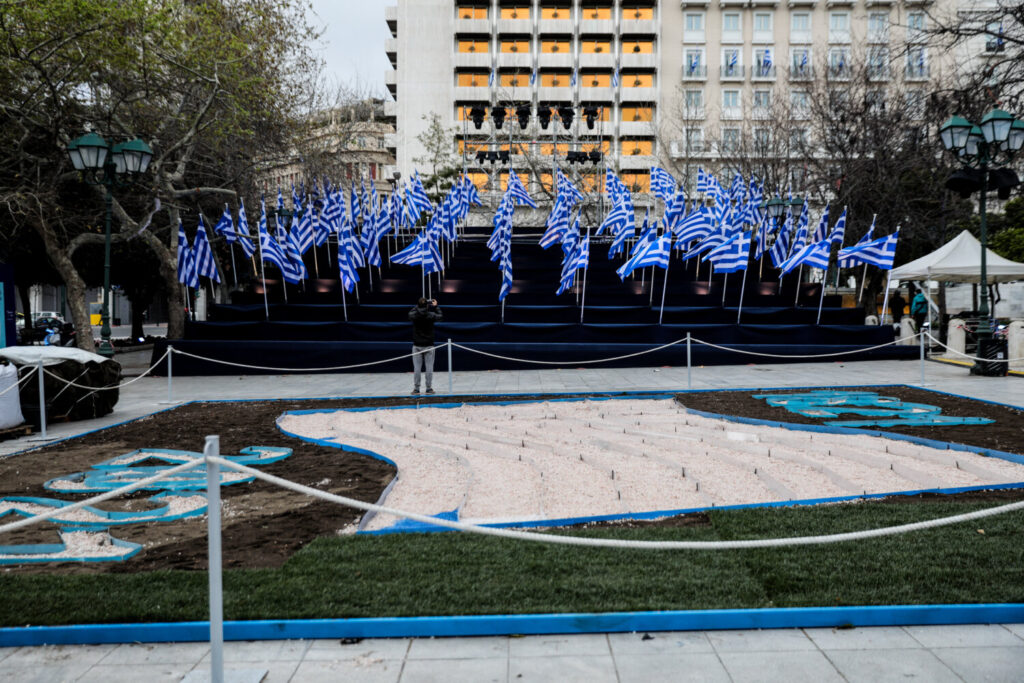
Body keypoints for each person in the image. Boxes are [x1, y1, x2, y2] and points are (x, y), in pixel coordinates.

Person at [408, 297, 442, 394]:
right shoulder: (430, 315)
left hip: (417, 345)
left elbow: (409, 314)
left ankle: (416, 389)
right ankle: (429, 388)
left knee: (417, 368)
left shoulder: (414, 315)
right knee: (429, 368)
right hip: (429, 345)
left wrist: (418, 305)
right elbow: (440, 316)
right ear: (427, 306)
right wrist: (436, 307)